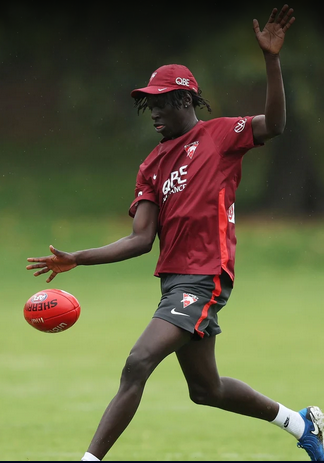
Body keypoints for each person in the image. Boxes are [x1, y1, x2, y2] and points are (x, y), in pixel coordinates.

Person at [26, 4, 324, 462]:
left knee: (137, 362)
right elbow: (140, 239)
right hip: (174, 281)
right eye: (148, 104)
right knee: (206, 390)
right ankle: (303, 424)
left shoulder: (222, 136)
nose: (152, 112)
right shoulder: (152, 164)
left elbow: (277, 125)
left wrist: (271, 59)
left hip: (206, 275)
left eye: (159, 102)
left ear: (184, 100)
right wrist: (77, 258)